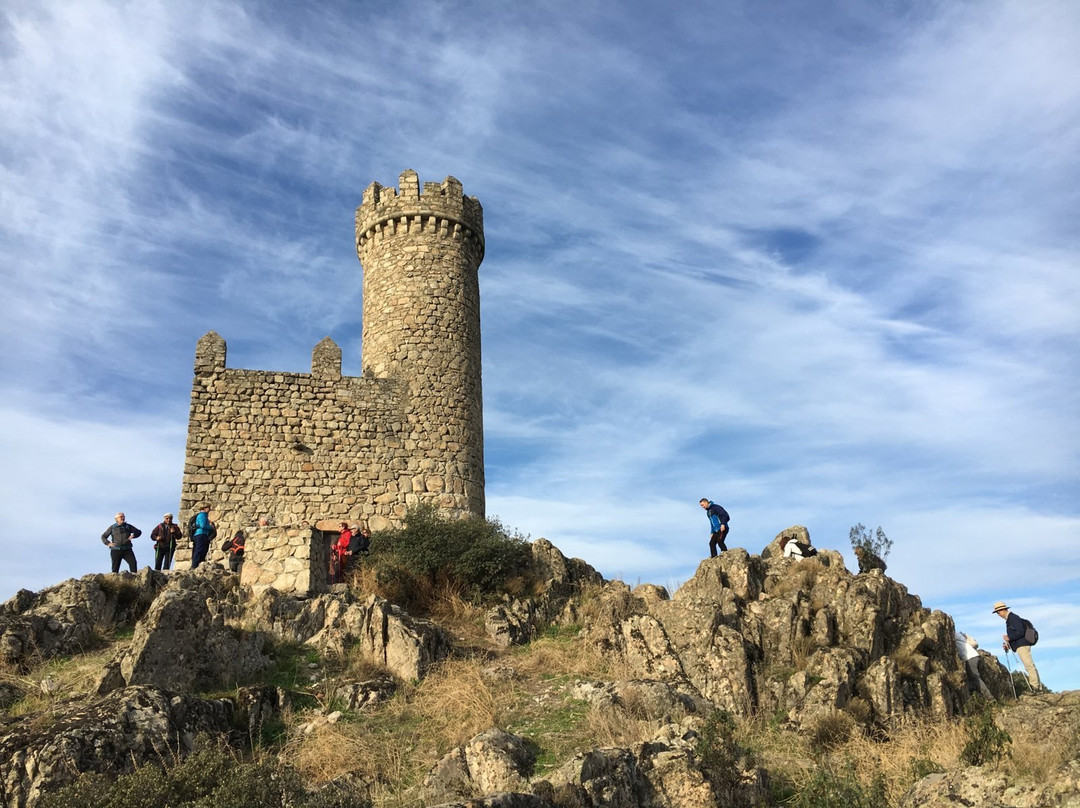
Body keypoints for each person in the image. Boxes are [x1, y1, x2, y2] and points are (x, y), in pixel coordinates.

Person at [993, 601, 1042, 691]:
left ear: (1003, 610)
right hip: (1021, 644)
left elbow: (1020, 632)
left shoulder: (1013, 618)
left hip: (1022, 645)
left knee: (1029, 665)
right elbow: (1017, 634)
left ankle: (1035, 687)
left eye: (998, 612)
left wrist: (1009, 638)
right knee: (1030, 665)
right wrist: (1008, 645)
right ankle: (1037, 687)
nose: (998, 614)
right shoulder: (1010, 619)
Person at [954, 630, 993, 699]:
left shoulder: (953, 634)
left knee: (974, 676)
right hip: (971, 655)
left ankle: (989, 697)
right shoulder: (958, 635)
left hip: (969, 656)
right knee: (972, 678)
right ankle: (979, 698)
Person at [191, 504, 215, 569]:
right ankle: (195, 566)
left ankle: (197, 565)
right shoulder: (202, 515)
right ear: (204, 508)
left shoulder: (204, 516)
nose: (209, 509)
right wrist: (211, 527)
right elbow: (203, 526)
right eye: (208, 508)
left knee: (202, 550)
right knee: (199, 550)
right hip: (201, 534)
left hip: (201, 534)